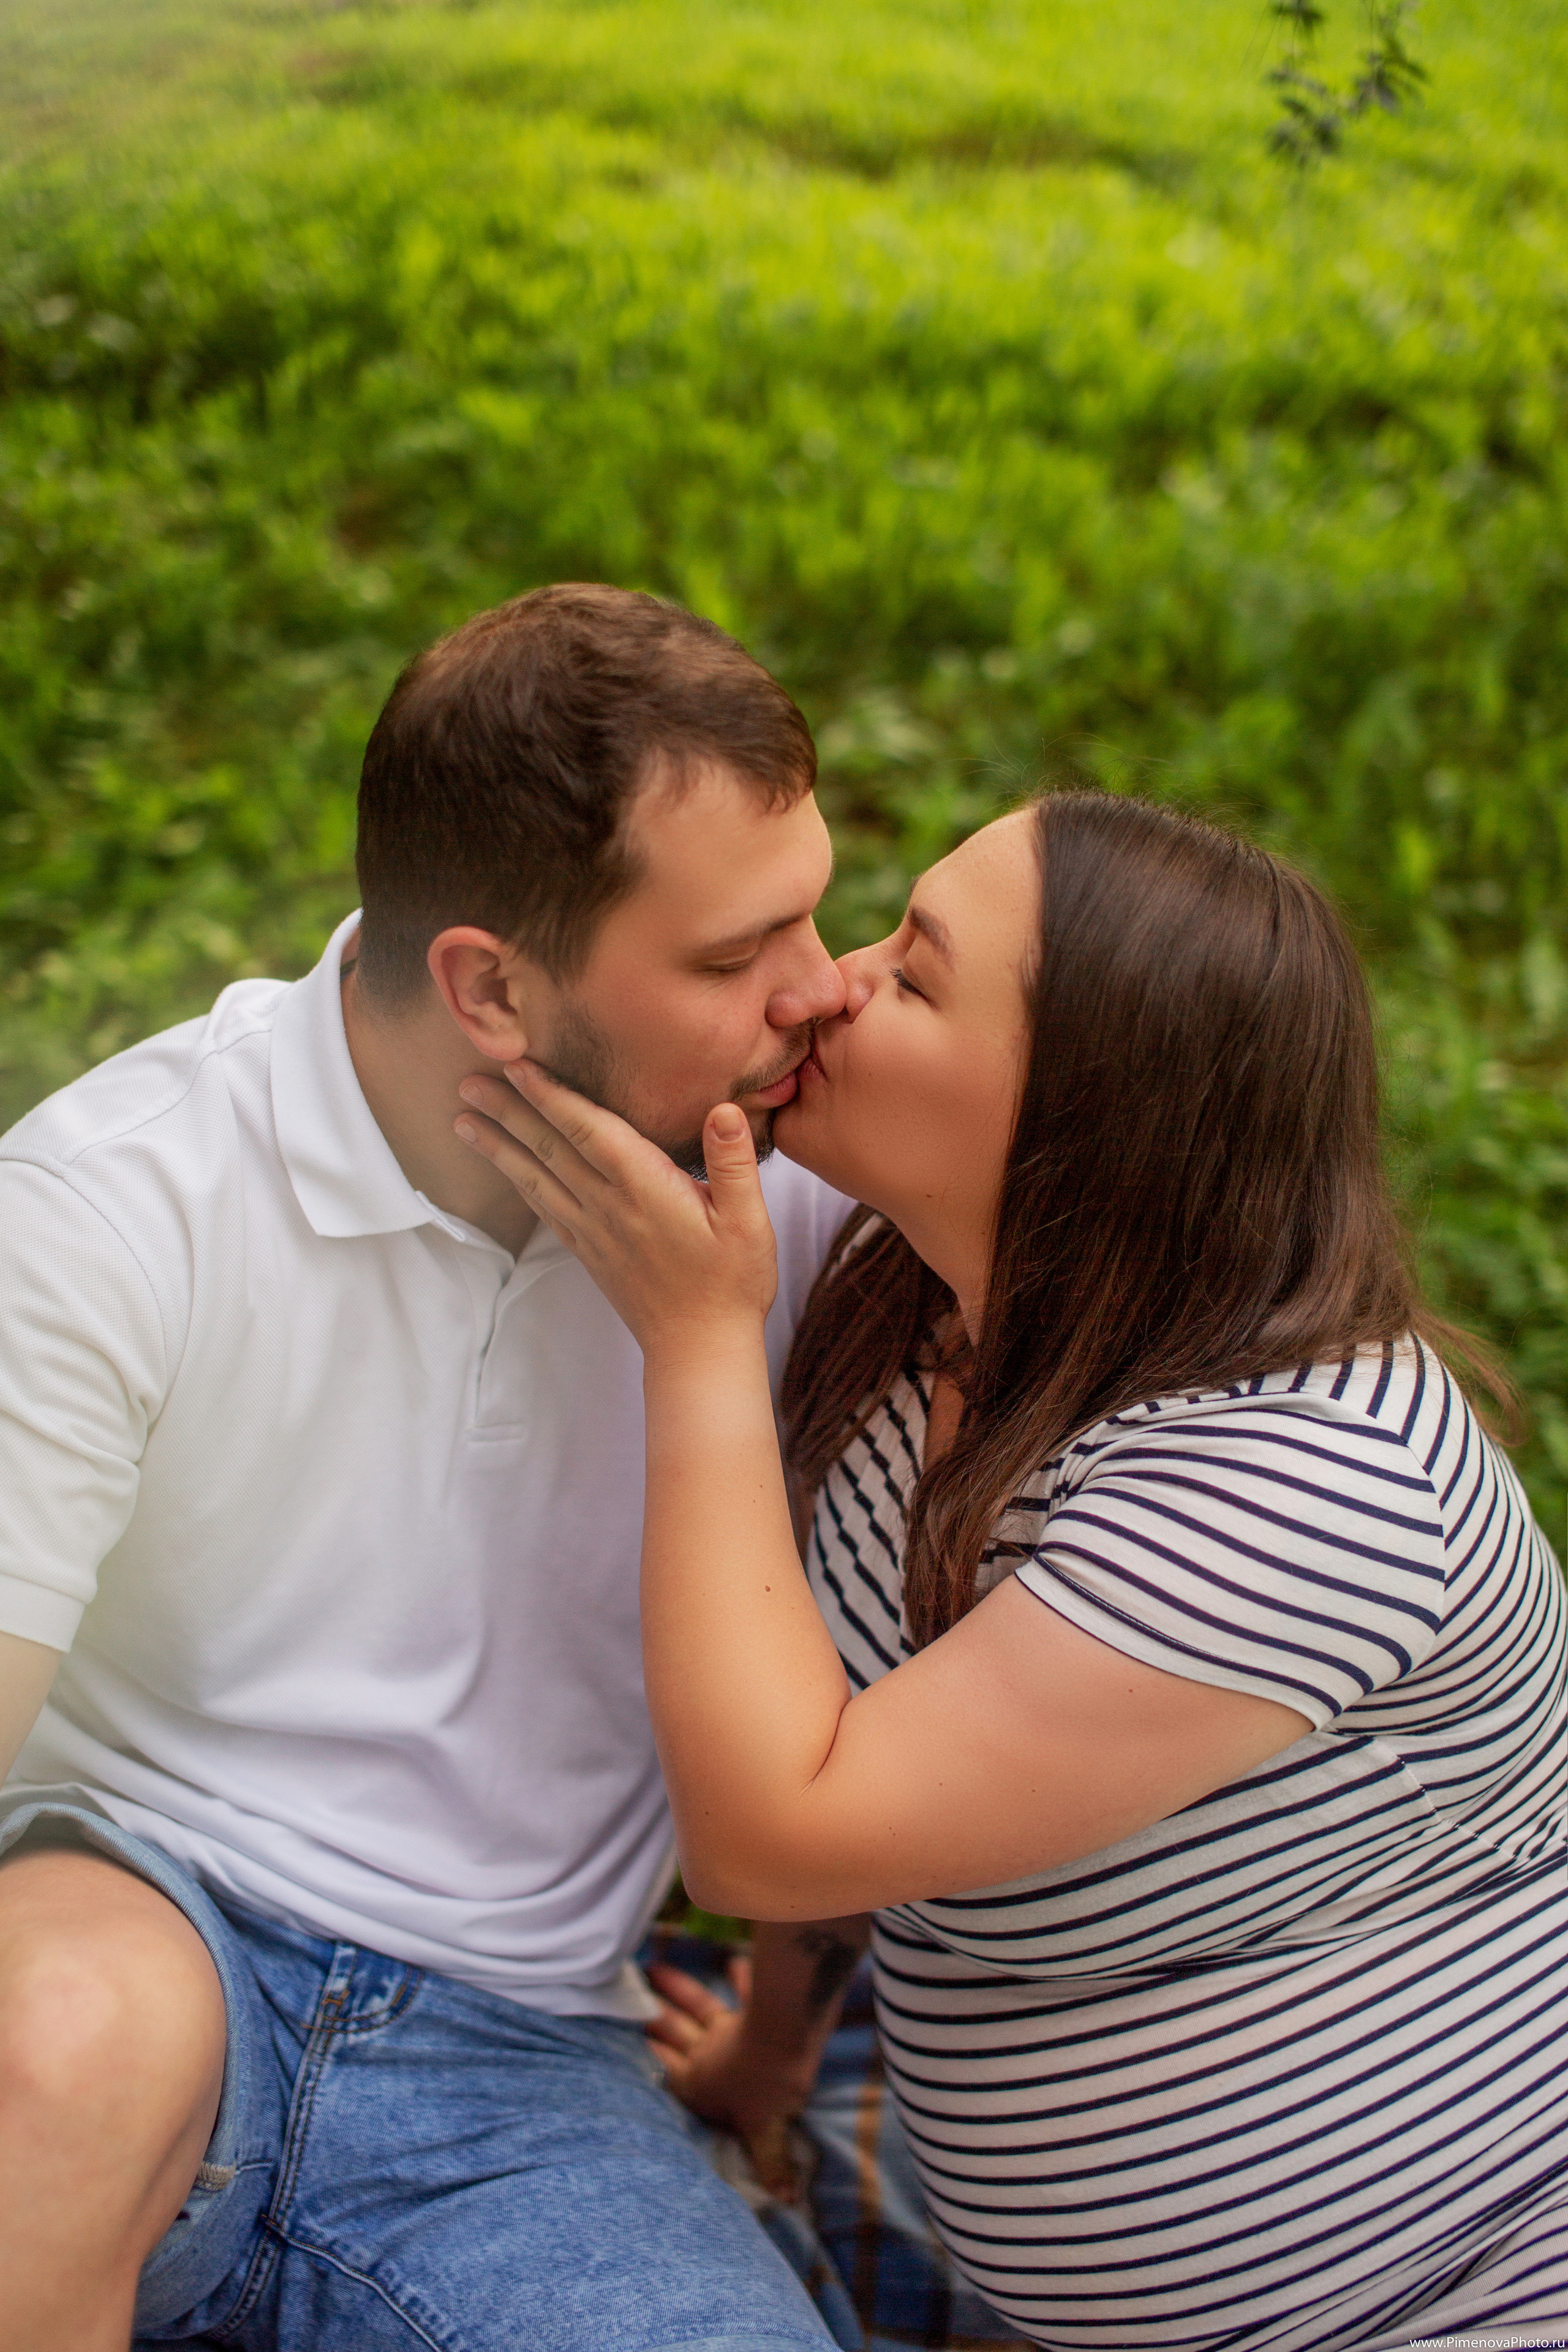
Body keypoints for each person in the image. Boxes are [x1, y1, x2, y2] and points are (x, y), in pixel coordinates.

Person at [456, 790, 1568, 2352]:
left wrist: (696, 1340)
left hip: (1464, 2292)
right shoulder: (914, 1298)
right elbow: (847, 1723)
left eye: (912, 977)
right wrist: (770, 2061)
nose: (830, 981)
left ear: (1086, 1115)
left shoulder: (1307, 1490)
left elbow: (777, 1834)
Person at [0, 585, 859, 2352]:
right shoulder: (111, 1206)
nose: (819, 990)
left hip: (526, 2069)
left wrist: (774, 2050)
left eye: (816, 912)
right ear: (490, 986)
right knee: (52, 2049)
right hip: (150, 1927)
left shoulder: (806, 1201)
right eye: (730, 960)